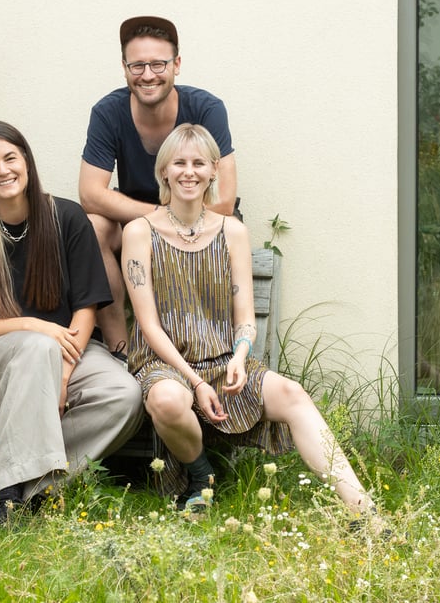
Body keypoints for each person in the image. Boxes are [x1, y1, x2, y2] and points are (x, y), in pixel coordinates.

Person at [123, 124, 382, 524]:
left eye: (198, 163)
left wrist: (241, 357)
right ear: (164, 172)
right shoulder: (139, 232)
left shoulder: (232, 232)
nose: (188, 172)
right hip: (166, 365)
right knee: (167, 399)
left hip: (224, 358)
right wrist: (193, 381)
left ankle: (363, 513)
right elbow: (148, 325)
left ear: (213, 172)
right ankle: (199, 476)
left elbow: (245, 319)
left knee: (293, 394)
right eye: (179, 163)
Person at [0, 121, 144, 524]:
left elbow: (87, 307)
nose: (3, 171)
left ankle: (28, 483)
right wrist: (34, 326)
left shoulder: (67, 217)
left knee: (124, 395)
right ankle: (8, 490)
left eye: (10, 158)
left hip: (70, 349)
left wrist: (64, 375)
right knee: (36, 348)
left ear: (27, 162)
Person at [79, 15, 240, 360]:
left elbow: (224, 200)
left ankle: (209, 353)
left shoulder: (206, 109)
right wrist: (158, 219)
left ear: (176, 65)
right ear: (124, 68)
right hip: (138, 227)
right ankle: (121, 353)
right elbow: (91, 193)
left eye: (158, 63)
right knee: (93, 225)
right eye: (137, 65)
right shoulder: (109, 112)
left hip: (201, 221)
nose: (148, 75)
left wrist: (173, 221)